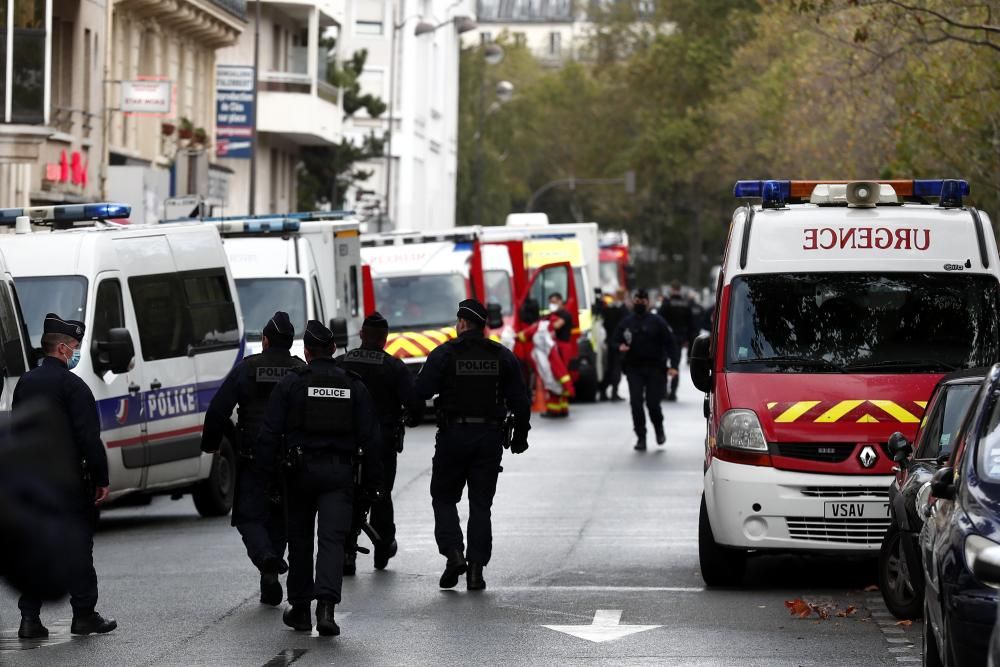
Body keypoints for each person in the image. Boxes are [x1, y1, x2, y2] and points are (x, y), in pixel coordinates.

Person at [259, 320, 382, 636]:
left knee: (300, 540)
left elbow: (270, 433)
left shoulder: (292, 384)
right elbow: (371, 439)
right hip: (340, 474)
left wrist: (267, 479)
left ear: (307, 351)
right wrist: (371, 486)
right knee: (332, 541)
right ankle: (325, 608)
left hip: (298, 473)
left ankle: (300, 610)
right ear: (332, 349)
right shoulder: (353, 385)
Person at [12, 313, 116, 639]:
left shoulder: (25, 383)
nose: (77, 352)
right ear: (61, 349)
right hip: (67, 481)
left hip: (31, 479)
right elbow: (89, 438)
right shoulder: (73, 387)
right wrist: (101, 477)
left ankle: (29, 619)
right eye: (75, 346)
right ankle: (84, 614)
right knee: (76, 546)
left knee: (33, 545)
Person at [415, 299, 531, 591]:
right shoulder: (501, 355)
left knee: (443, 497)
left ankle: (454, 553)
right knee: (481, 505)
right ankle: (476, 571)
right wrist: (521, 436)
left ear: (463, 323)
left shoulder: (444, 354)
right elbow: (520, 399)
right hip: (489, 438)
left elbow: (421, 391)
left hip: (453, 436)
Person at [201, 311, 305, 605]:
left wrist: (210, 444)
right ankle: (269, 572)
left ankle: (266, 560)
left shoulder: (248, 370)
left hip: (254, 456)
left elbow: (219, 409)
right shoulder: (299, 370)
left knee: (248, 516)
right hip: (290, 460)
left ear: (266, 340)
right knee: (280, 518)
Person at [338, 312, 423, 574]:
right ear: (384, 340)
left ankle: (346, 552)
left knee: (345, 495)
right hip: (382, 444)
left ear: (361, 335)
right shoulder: (394, 367)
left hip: (345, 444)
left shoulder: (341, 363)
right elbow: (415, 406)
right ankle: (383, 546)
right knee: (381, 493)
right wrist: (411, 418)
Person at [614, 291, 680, 451]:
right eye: (637, 300)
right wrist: (619, 347)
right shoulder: (626, 322)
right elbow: (614, 340)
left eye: (642, 300)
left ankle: (658, 428)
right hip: (633, 368)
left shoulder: (657, 321)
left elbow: (671, 343)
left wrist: (674, 365)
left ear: (648, 302)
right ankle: (641, 436)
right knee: (636, 403)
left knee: (652, 404)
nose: (639, 303)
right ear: (632, 301)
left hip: (655, 369)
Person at [598, 290, 628, 402]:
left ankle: (603, 392)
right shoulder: (623, 309)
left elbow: (604, 322)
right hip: (619, 342)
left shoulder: (608, 308)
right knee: (616, 368)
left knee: (608, 367)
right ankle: (614, 392)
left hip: (608, 340)